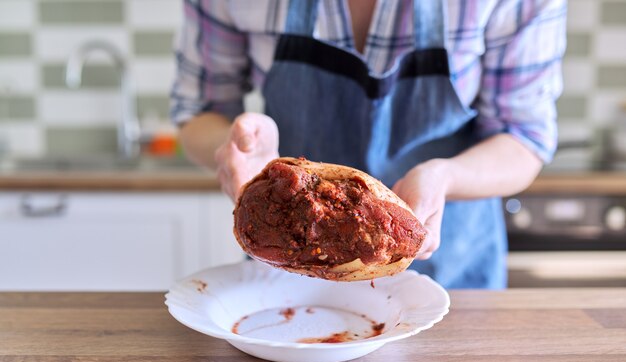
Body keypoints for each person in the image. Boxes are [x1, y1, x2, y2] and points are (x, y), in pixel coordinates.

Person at [170, 0, 566, 289]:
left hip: (454, 275)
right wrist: (236, 148)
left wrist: (444, 175)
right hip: (287, 269)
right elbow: (199, 112)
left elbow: (524, 138)